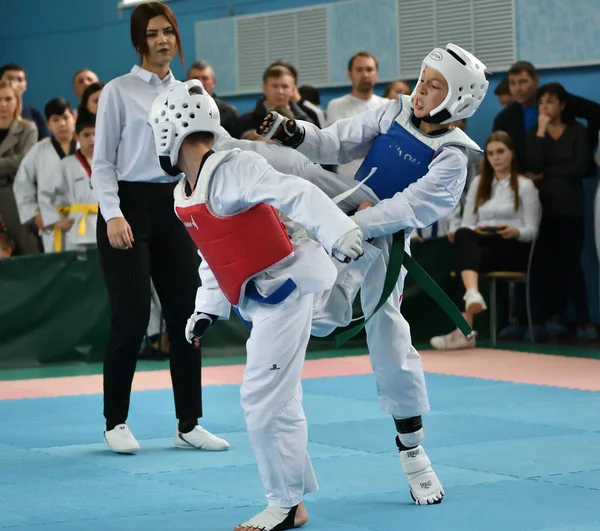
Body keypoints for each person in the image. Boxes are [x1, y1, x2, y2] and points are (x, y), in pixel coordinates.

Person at [259, 43, 489, 507]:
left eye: (435, 85)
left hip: (383, 239)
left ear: (458, 100)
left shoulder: (452, 157)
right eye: (423, 78)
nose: (422, 89)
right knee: (295, 172)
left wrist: (351, 223)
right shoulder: (392, 112)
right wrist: (292, 131)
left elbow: (408, 209)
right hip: (345, 206)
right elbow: (333, 143)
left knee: (388, 337)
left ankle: (412, 450)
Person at [148, 79, 364, 531]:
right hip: (257, 299)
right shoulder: (183, 193)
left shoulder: (235, 167)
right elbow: (212, 252)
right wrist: (205, 308)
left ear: (169, 130)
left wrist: (338, 230)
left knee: (260, 397)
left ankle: (282, 504)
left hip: (290, 286)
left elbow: (296, 192)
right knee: (281, 400)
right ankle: (295, 499)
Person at [91, 1, 228, 454]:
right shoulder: (117, 91)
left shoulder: (191, 91)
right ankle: (116, 422)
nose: (163, 40)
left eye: (168, 31)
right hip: (127, 206)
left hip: (175, 207)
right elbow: (103, 163)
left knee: (188, 319)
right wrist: (112, 214)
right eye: (152, 33)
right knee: (130, 319)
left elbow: (207, 155)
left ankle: (188, 423)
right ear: (139, 40)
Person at [430, 131, 540, 349]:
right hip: (483, 246)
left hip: (513, 248)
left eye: (500, 152)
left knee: (465, 260)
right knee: (464, 237)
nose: (495, 157)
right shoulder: (480, 182)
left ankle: (464, 330)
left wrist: (514, 232)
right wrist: (477, 230)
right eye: (490, 153)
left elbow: (532, 231)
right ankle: (472, 295)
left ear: (511, 154)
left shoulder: (525, 185)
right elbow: (467, 224)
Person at [526, 82, 595, 341]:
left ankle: (584, 322)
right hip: (541, 210)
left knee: (571, 266)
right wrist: (542, 131)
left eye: (551, 101)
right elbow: (532, 164)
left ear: (563, 104)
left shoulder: (578, 130)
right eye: (542, 102)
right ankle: (543, 321)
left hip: (570, 208)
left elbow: (581, 168)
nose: (546, 106)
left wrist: (547, 174)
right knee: (544, 267)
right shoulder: (536, 132)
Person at [13, 97, 77, 253]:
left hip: (85, 219)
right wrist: (35, 216)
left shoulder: (87, 147)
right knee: (59, 270)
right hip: (52, 222)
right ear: (48, 124)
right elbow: (22, 184)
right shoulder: (38, 151)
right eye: (55, 120)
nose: (62, 123)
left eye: (65, 118)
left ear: (74, 118)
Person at [38, 110, 99, 252]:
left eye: (96, 134)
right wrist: (56, 220)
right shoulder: (66, 165)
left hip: (105, 222)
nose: (92, 139)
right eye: (87, 135)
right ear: (77, 136)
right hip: (77, 224)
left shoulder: (109, 162)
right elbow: (46, 194)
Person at [0, 79, 38, 255]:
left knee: (27, 244)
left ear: (17, 101)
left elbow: (23, 160)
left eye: (8, 99)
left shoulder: (27, 128)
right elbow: (13, 162)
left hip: (15, 194)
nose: (3, 104)